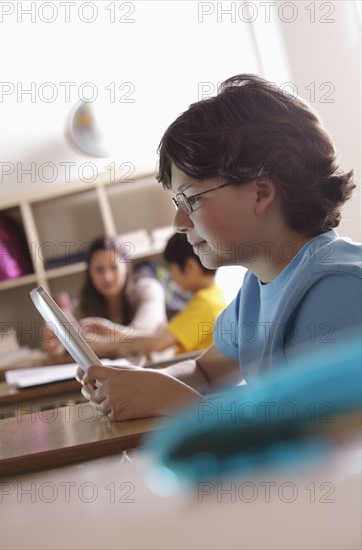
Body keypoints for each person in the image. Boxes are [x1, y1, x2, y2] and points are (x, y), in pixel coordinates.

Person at [77, 74, 361, 421]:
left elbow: (320, 439)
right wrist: (142, 385)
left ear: (260, 193)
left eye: (190, 199)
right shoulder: (257, 289)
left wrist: (175, 401)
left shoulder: (338, 288)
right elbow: (206, 373)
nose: (179, 222)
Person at [82, 232, 227, 358]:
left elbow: (154, 342)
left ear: (190, 267)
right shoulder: (213, 297)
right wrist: (110, 329)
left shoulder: (204, 304)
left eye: (172, 269)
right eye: (99, 270)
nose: (171, 276)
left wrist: (99, 340)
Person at [43, 236, 167, 358]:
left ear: (126, 268)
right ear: (89, 273)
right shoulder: (83, 305)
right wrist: (54, 345)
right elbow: (70, 348)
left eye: (114, 268)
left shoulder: (149, 289)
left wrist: (108, 332)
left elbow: (147, 336)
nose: (107, 277)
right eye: (99, 270)